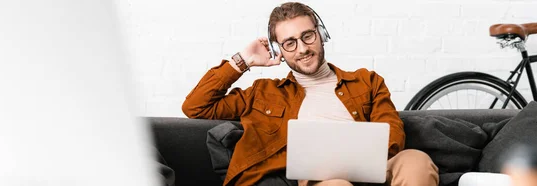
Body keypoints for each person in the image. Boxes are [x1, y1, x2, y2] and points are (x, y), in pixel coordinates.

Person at [182, 2, 438, 186]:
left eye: (308, 36)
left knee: (416, 160)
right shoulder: (263, 93)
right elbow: (196, 107)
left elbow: (392, 131)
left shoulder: (367, 82)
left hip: (370, 171)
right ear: (279, 50)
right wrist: (244, 61)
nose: (302, 49)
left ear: (321, 35)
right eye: (290, 43)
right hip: (315, 181)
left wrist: (362, 161)